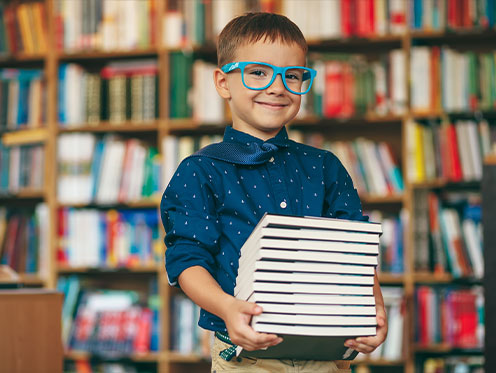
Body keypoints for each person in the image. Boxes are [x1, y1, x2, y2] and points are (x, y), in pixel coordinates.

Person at [161, 12, 387, 373]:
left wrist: (371, 309)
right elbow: (187, 259)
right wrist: (226, 307)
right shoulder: (200, 170)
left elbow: (355, 252)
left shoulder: (325, 166)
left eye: (293, 75)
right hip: (244, 355)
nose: (278, 87)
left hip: (326, 355)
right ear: (222, 82)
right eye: (258, 72)